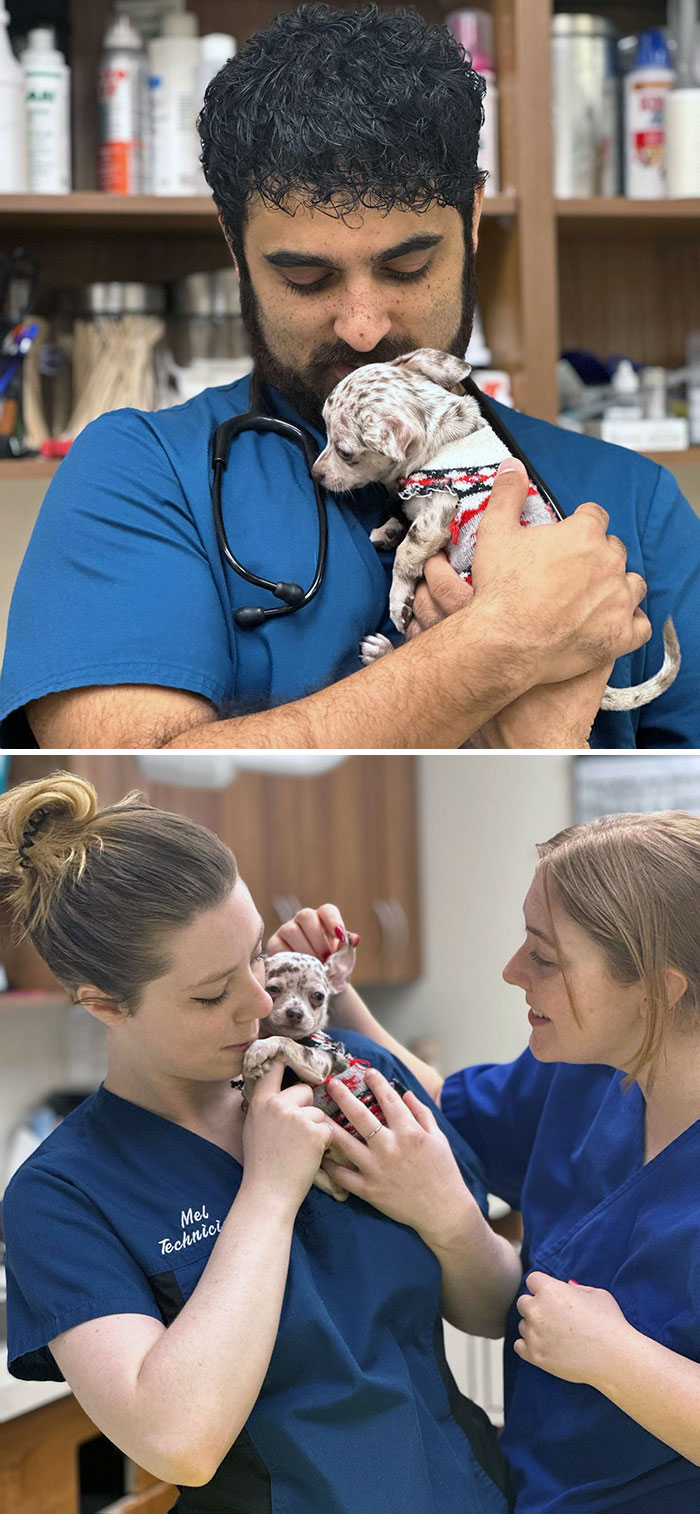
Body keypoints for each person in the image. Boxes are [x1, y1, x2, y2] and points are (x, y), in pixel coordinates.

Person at [7, 3, 699, 752]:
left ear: (470, 220)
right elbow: (123, 812)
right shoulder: (140, 476)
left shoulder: (631, 502)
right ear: (235, 246)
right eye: (307, 277)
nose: (363, 325)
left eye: (407, 267)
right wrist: (502, 645)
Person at [0, 772, 521, 1514]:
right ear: (105, 1005)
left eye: (254, 956)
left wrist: (446, 1215)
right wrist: (269, 1193)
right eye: (212, 994)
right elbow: (179, 1440)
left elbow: (497, 1310)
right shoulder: (63, 1195)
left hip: (465, 1489)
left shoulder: (354, 1076)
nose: (259, 1003)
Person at [329, 809, 700, 1510]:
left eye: (546, 956)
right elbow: (448, 1109)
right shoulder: (585, 1069)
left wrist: (616, 1357)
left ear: (658, 988)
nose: (511, 971)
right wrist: (337, 995)